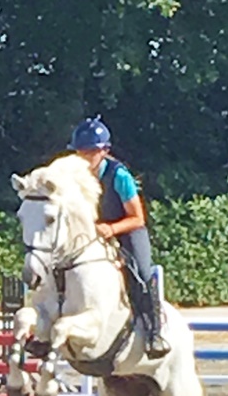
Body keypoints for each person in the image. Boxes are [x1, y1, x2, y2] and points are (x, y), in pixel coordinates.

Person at [68, 116, 170, 358]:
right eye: (81, 152)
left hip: (127, 230)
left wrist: (112, 229)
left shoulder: (119, 176)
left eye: (90, 152)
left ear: (104, 151)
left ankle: (155, 331)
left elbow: (137, 217)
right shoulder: (73, 177)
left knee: (141, 271)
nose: (85, 158)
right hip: (91, 234)